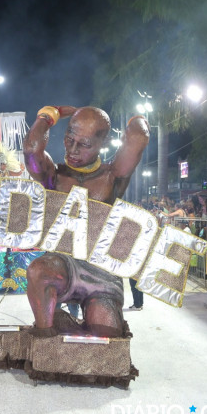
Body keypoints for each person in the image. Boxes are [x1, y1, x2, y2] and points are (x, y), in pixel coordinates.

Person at [23, 105, 150, 337]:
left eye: (84, 144)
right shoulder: (55, 175)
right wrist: (49, 114)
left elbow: (139, 136)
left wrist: (136, 117)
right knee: (39, 270)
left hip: (100, 271)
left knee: (107, 337)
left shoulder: (112, 176)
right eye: (69, 139)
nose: (72, 149)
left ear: (103, 143)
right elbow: (32, 149)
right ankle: (44, 340)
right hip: (62, 264)